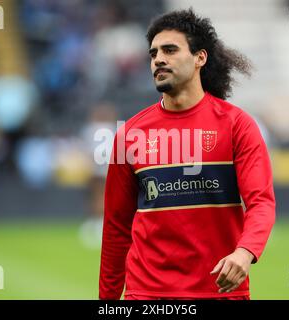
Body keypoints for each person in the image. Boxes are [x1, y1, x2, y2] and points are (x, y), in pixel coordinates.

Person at [99, 9, 276, 300]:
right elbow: (116, 228)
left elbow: (261, 203)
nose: (158, 59)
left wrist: (245, 253)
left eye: (170, 50)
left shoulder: (238, 126)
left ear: (200, 58)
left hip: (220, 292)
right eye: (153, 53)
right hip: (147, 295)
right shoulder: (128, 135)